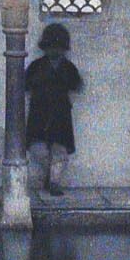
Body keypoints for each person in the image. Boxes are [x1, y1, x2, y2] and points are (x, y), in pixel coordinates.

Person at [25, 21, 83, 197]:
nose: (55, 51)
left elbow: (76, 85)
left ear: (64, 48)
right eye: (51, 46)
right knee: (38, 149)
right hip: (39, 113)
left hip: (60, 114)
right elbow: (25, 86)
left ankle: (55, 182)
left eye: (58, 47)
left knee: (60, 150)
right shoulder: (36, 66)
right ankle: (49, 176)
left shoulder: (68, 68)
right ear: (45, 47)